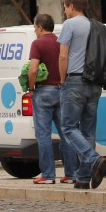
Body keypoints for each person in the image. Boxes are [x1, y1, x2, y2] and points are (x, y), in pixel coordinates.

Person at [57, 0, 106, 189]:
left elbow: (63, 56)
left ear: (71, 6)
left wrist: (62, 79)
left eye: (65, 6)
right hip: (94, 82)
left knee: (69, 127)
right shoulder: (96, 25)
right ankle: (83, 177)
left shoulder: (69, 25)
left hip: (75, 80)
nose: (64, 11)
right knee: (88, 130)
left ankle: (94, 159)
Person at [29, 13, 77, 184]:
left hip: (44, 91)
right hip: (63, 90)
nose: (35, 30)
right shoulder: (61, 42)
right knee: (67, 133)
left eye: (35, 27)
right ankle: (71, 174)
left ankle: (48, 175)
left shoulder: (37, 44)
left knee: (43, 135)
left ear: (40, 27)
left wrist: (31, 87)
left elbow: (33, 69)